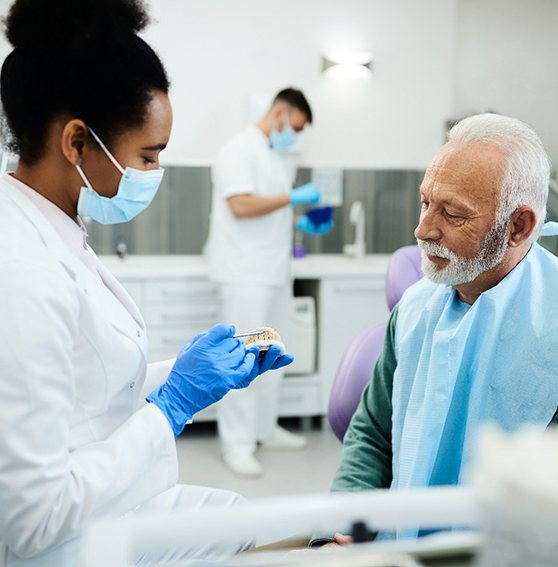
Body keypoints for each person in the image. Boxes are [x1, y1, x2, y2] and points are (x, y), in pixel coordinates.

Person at [0, 1, 293, 565]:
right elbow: (33, 517)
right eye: (148, 155)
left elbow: (82, 385)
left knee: (245, 519)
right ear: (77, 143)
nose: (154, 174)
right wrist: (173, 404)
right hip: (58, 546)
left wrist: (182, 374)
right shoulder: (22, 274)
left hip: (97, 505)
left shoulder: (50, 227)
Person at [312, 113, 558, 546]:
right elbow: (372, 433)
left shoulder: (550, 325)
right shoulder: (415, 308)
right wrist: (344, 527)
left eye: (452, 214)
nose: (422, 230)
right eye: (426, 202)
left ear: (518, 227)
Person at [205, 88, 331, 477]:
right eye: (293, 127)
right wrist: (292, 198)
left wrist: (298, 220)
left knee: (273, 350)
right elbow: (240, 206)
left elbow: (269, 210)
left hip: (274, 270)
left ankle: (265, 428)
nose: (294, 136)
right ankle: (237, 444)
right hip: (245, 271)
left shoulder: (273, 155)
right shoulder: (237, 150)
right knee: (244, 354)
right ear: (279, 113)